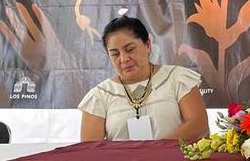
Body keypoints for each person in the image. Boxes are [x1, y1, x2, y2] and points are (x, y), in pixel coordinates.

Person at [78, 16, 208, 141]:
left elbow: (199, 126)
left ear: (147, 45)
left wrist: (153, 152)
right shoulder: (99, 96)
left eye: (130, 49)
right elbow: (89, 151)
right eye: (115, 54)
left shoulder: (177, 78)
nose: (123, 59)